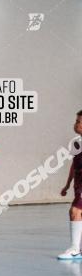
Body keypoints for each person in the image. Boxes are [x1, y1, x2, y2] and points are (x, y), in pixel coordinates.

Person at [58, 110, 82, 259]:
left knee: (75, 211)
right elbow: (74, 165)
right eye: (76, 121)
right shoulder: (76, 143)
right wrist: (67, 185)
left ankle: (75, 249)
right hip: (78, 185)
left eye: (79, 121)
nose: (75, 124)